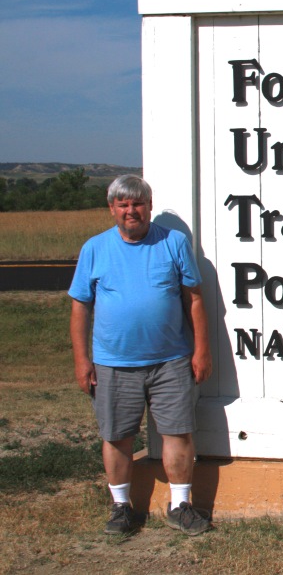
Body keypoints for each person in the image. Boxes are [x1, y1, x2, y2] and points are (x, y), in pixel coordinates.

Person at [69, 174, 212, 536]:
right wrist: (82, 360)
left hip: (171, 360)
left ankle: (180, 505)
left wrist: (201, 350)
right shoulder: (95, 249)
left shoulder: (174, 242)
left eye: (138, 203)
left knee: (178, 432)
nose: (131, 211)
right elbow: (80, 307)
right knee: (117, 435)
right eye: (123, 204)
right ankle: (121, 507)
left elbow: (194, 298)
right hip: (114, 363)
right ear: (112, 208)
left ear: (149, 206)